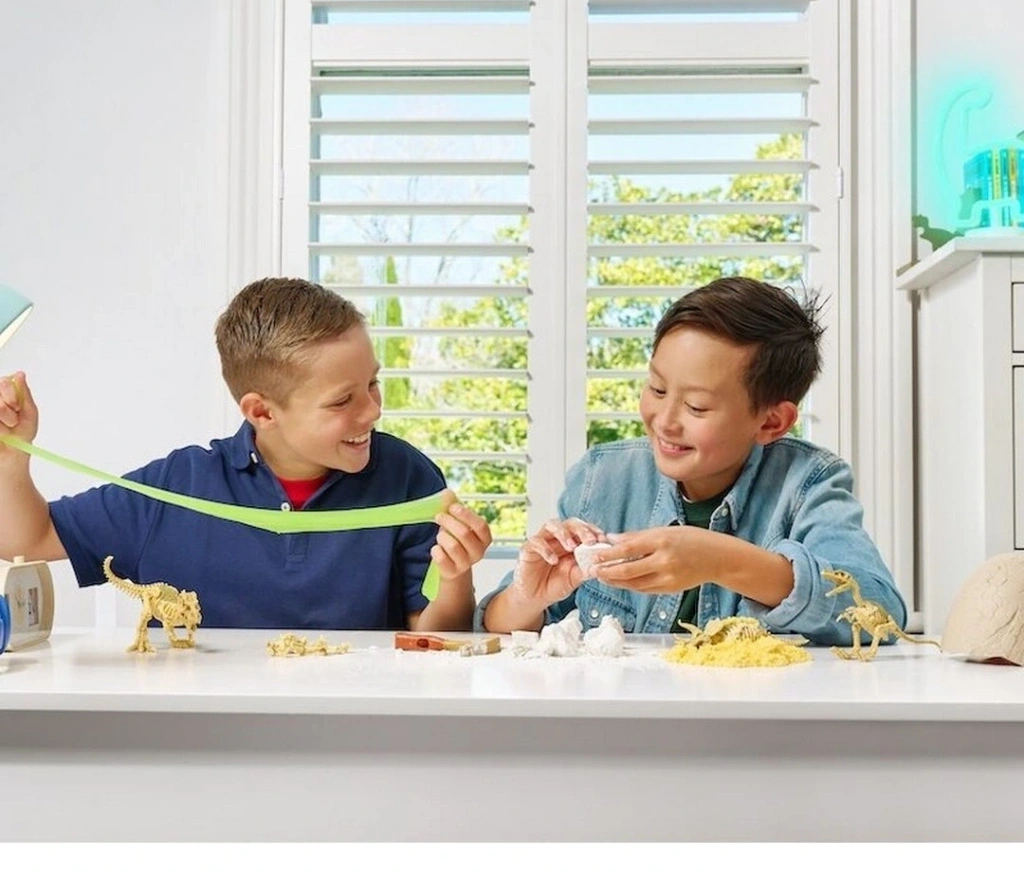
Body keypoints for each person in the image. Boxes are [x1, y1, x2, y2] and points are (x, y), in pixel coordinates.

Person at [0, 278, 490, 630]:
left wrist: (455, 576)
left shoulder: (406, 477)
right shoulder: (177, 487)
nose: (372, 411)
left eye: (372, 384)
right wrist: (12, 457)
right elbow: (28, 538)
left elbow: (434, 638)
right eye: (343, 400)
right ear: (262, 411)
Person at [477, 276, 905, 645]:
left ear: (771, 422)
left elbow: (881, 616)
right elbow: (496, 629)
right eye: (657, 389)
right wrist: (528, 597)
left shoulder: (807, 484)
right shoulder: (603, 478)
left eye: (697, 407)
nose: (664, 421)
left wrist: (722, 560)